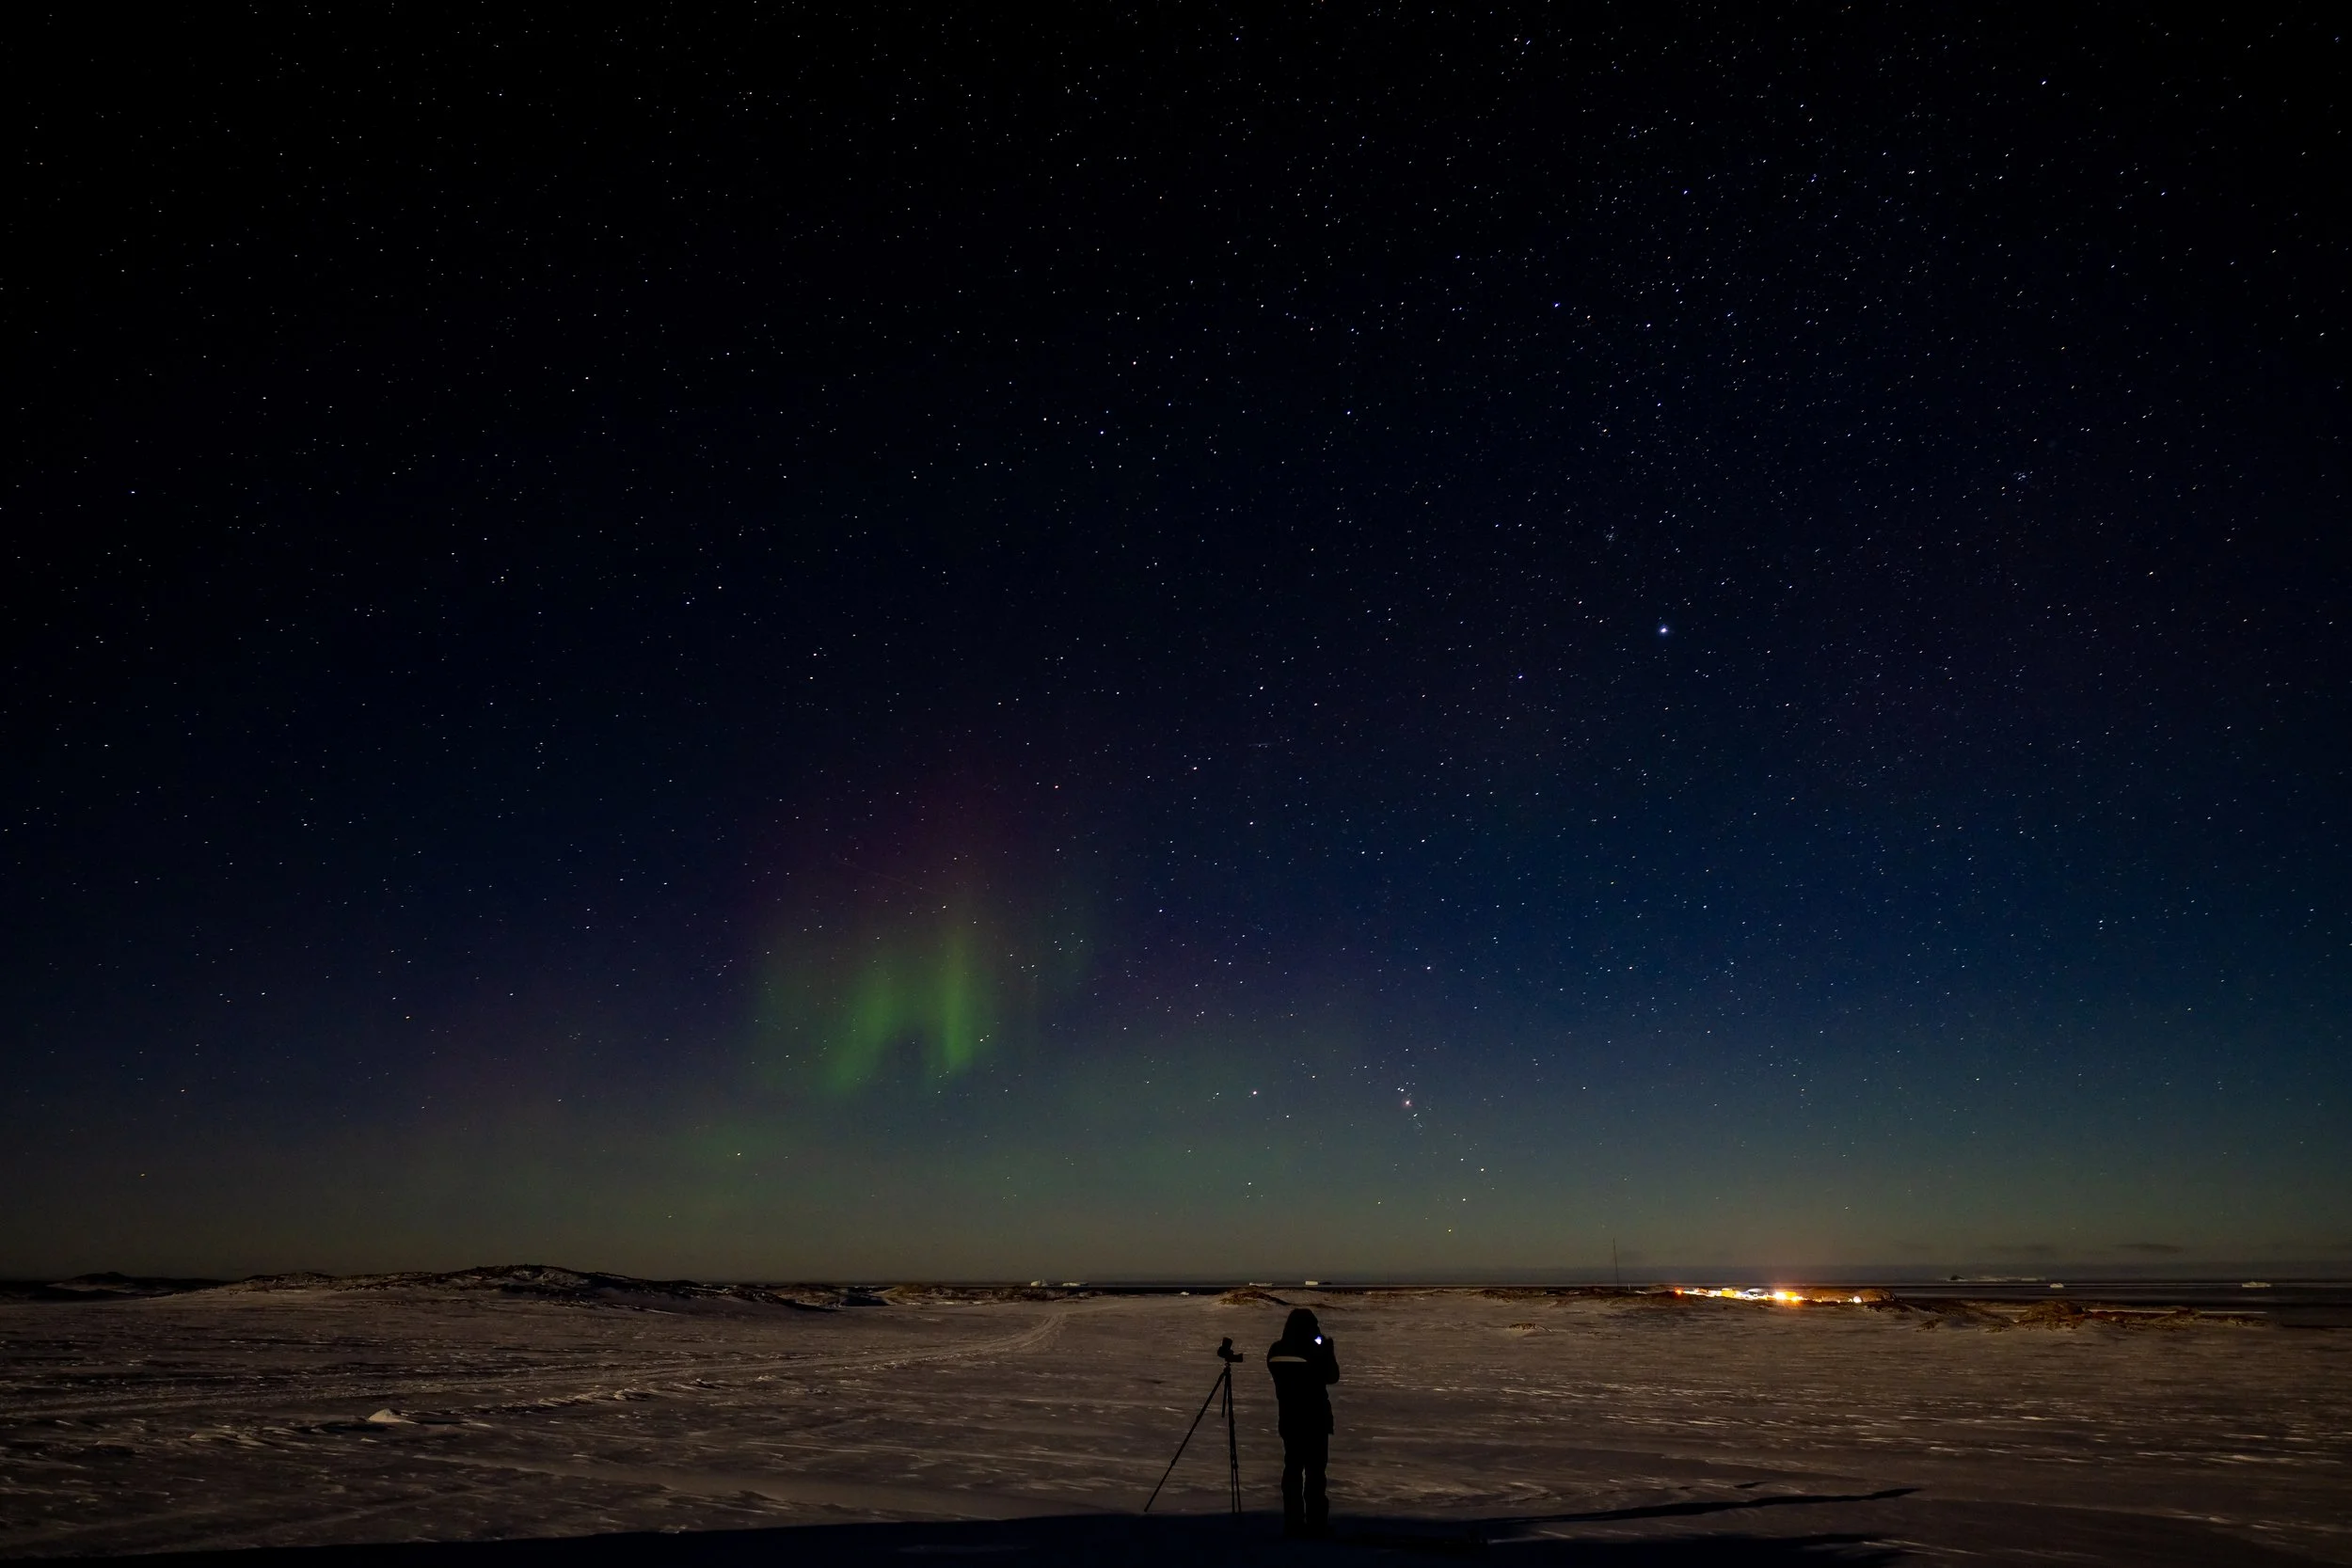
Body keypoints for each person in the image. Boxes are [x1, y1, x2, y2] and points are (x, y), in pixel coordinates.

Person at [1265, 1307, 1340, 1537]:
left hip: (1289, 1418)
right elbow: (1331, 1376)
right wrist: (1327, 1351)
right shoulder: (1314, 1352)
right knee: (1315, 1474)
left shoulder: (1276, 1350)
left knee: (1293, 1472)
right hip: (1314, 1418)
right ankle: (1316, 1523)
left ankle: (1293, 1521)